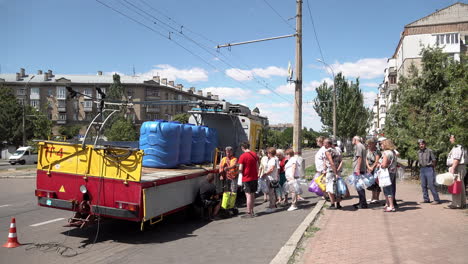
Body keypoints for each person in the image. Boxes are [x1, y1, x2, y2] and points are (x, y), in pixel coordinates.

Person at [238, 141, 259, 218]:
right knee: (253, 194)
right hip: (254, 177)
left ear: (242, 147)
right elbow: (257, 167)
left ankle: (248, 212)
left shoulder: (243, 156)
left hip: (247, 178)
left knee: (248, 195)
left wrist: (239, 172)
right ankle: (252, 210)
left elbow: (240, 168)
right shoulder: (254, 154)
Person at [446, 135, 466, 209]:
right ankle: (462, 203)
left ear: (456, 138)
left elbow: (456, 159)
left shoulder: (457, 147)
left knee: (456, 185)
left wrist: (453, 168)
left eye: (451, 138)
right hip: (460, 167)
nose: (450, 139)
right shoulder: (460, 146)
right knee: (461, 185)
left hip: (457, 167)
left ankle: (456, 204)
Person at [417, 139, 440, 204]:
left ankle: (436, 199)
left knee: (431, 185)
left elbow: (434, 160)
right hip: (422, 169)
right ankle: (426, 199)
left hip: (429, 168)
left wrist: (433, 168)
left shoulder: (429, 151)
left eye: (422, 144)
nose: (421, 145)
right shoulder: (418, 152)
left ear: (425, 144)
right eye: (420, 144)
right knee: (423, 185)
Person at [380, 139, 398, 212]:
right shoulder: (393, 152)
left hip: (386, 173)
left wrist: (380, 165)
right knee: (388, 188)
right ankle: (388, 204)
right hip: (392, 172)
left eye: (382, 144)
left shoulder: (386, 153)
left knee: (387, 189)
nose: (381, 145)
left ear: (386, 145)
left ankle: (391, 205)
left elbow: (384, 165)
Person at [323, 138, 342, 209]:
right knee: (337, 187)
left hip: (331, 171)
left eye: (324, 143)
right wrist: (338, 170)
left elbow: (331, 162)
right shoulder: (337, 150)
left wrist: (335, 172)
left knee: (330, 188)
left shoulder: (328, 151)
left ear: (328, 144)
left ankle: (332, 204)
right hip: (338, 171)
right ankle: (338, 204)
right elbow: (341, 161)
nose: (323, 144)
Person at [352, 136, 368, 209]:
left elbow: (359, 157)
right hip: (361, 168)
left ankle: (363, 203)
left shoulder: (358, 146)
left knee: (359, 186)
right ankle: (361, 201)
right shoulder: (362, 145)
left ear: (355, 140)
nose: (352, 140)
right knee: (360, 186)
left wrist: (358, 169)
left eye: (352, 139)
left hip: (358, 169)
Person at [262, 147, 279, 213]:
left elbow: (271, 169)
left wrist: (265, 174)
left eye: (268, 153)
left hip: (271, 178)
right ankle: (271, 205)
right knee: (271, 193)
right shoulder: (272, 159)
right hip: (271, 178)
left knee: (271, 193)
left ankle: (272, 206)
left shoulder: (273, 160)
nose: (267, 154)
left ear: (270, 153)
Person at [366, 138, 381, 204]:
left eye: (370, 144)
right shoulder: (368, 151)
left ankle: (377, 198)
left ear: (374, 144)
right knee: (371, 183)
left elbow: (377, 161)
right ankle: (373, 197)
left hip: (376, 169)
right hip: (369, 168)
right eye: (368, 144)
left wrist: (372, 167)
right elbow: (366, 159)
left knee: (376, 183)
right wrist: (368, 167)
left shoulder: (377, 151)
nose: (368, 145)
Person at [315, 136, 328, 201]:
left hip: (322, 169)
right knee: (322, 182)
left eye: (317, 141)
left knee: (323, 182)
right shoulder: (321, 149)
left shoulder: (323, 149)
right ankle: (325, 194)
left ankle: (326, 195)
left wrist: (324, 169)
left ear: (321, 142)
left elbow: (325, 159)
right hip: (320, 169)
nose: (316, 142)